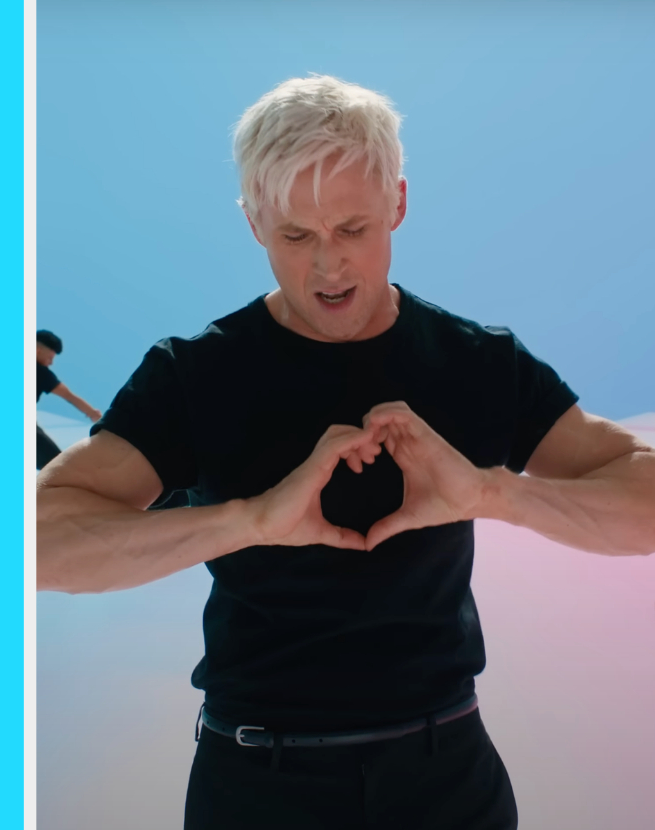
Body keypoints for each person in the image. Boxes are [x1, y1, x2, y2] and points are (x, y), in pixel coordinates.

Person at [36, 75, 655, 829]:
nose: (329, 266)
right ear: (254, 222)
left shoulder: (478, 362)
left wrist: (495, 495)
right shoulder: (194, 373)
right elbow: (38, 545)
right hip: (256, 780)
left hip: (449, 777)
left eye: (354, 229)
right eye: (296, 235)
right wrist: (252, 520)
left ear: (398, 203)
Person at [36, 329, 102, 470]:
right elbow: (70, 397)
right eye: (50, 358)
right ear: (37, 350)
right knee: (58, 467)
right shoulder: (41, 373)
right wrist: (94, 415)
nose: (51, 363)